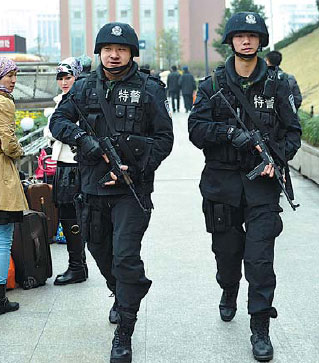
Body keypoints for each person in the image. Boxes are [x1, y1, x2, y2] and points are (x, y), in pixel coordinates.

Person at [50, 22, 173, 363]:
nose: (113, 54)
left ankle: (124, 333)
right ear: (99, 52)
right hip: (91, 187)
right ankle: (121, 294)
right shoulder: (85, 87)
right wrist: (85, 141)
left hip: (132, 191)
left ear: (132, 53)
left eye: (120, 49)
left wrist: (137, 167)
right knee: (101, 252)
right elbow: (58, 121)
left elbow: (165, 138)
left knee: (125, 257)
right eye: (107, 49)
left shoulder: (148, 89)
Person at [188, 12, 301, 362]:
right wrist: (229, 134)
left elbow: (293, 132)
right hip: (221, 185)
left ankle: (260, 327)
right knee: (226, 257)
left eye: (253, 35)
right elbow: (196, 130)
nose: (247, 41)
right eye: (240, 35)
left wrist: (275, 158)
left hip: (263, 187)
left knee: (260, 260)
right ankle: (229, 289)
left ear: (261, 41)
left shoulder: (278, 85)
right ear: (232, 41)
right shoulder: (212, 85)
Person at [44, 57, 87, 286]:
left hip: (73, 163)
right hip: (62, 162)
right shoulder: (61, 100)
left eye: (67, 77)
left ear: (77, 77)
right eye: (60, 78)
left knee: (72, 216)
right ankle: (78, 265)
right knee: (66, 214)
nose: (63, 82)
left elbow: (55, 131)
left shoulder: (80, 100)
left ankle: (77, 267)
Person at [0, 57, 28, 314]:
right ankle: (0, 298)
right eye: (9, 74)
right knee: (3, 237)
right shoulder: (4, 103)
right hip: (2, 178)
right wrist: (19, 150)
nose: (13, 79)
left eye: (14, 74)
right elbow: (8, 144)